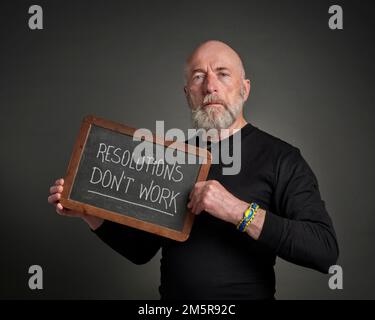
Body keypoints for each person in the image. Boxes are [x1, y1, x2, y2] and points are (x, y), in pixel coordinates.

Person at [48, 40, 339, 300]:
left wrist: (236, 210)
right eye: (199, 76)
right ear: (189, 94)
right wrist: (88, 213)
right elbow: (141, 251)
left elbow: (323, 249)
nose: (210, 86)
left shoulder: (282, 158)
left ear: (245, 88)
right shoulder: (172, 158)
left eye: (222, 74)